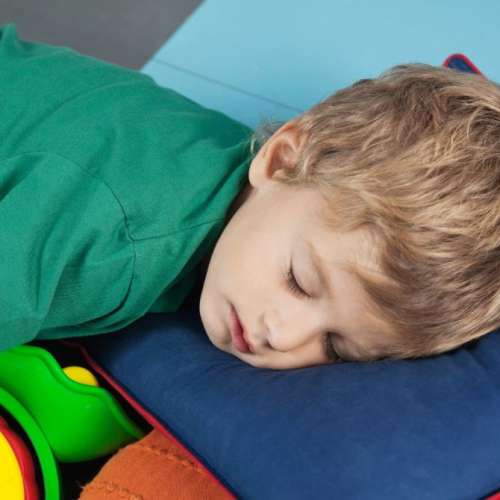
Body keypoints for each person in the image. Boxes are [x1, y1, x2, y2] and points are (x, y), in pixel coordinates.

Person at [1, 23, 500, 372]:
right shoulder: (118, 241)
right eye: (299, 282)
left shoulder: (259, 188)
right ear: (280, 158)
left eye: (336, 348)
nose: (282, 336)